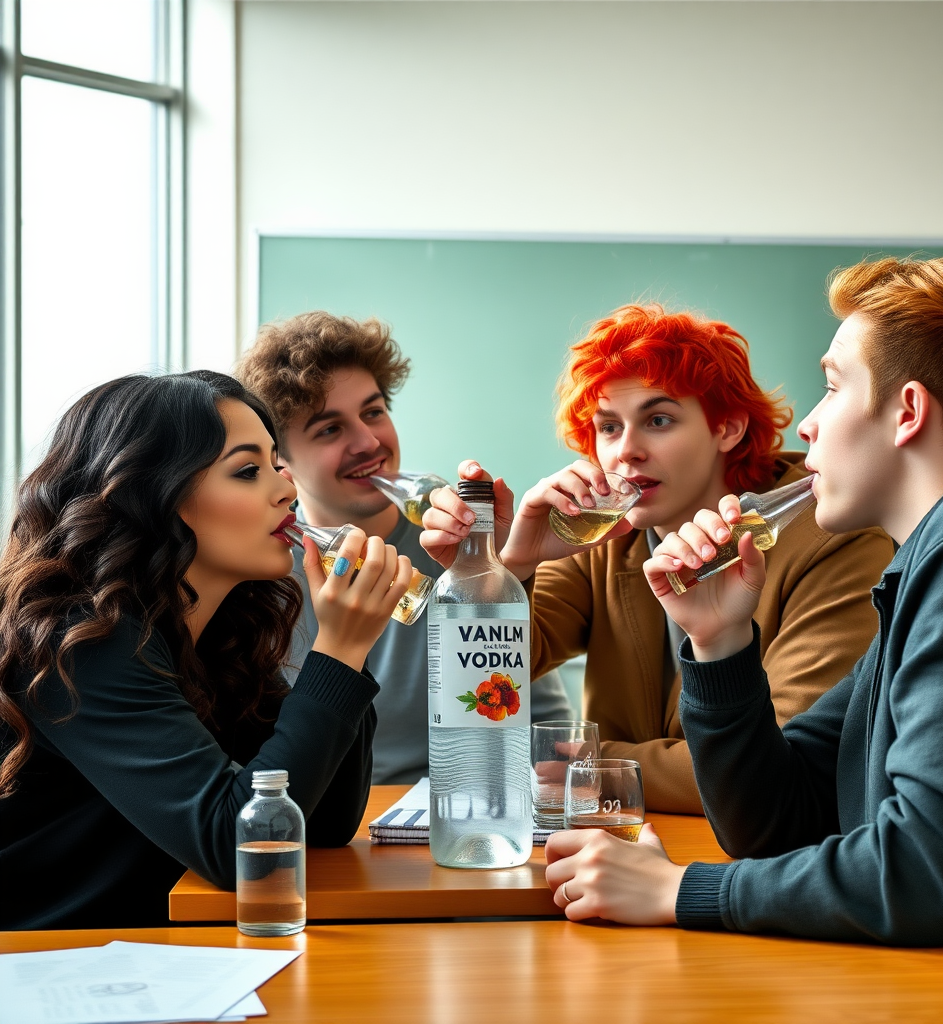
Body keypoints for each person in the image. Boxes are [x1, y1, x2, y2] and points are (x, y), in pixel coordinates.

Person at [542, 255, 943, 1007]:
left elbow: (933, 868)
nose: (810, 421)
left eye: (833, 387)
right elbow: (776, 820)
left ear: (907, 412)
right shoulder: (942, 548)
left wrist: (680, 892)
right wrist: (718, 645)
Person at [422, 303, 894, 812]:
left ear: (728, 428)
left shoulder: (833, 533)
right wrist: (506, 567)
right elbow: (483, 686)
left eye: (659, 419)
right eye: (607, 427)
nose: (627, 451)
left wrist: (589, 765)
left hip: (757, 858)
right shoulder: (602, 535)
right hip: (620, 843)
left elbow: (777, 764)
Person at [0, 370, 410, 930]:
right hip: (53, 970)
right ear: (156, 498)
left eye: (275, 462)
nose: (286, 489)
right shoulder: (84, 642)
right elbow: (237, 848)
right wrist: (339, 651)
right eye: (246, 471)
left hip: (160, 958)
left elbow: (324, 821)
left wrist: (348, 649)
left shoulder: (218, 636)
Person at [236, 312, 573, 785]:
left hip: (461, 813)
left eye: (373, 412)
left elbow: (547, 736)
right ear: (280, 463)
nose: (368, 441)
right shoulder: (262, 576)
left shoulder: (463, 551)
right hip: (329, 828)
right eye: (329, 429)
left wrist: (497, 574)